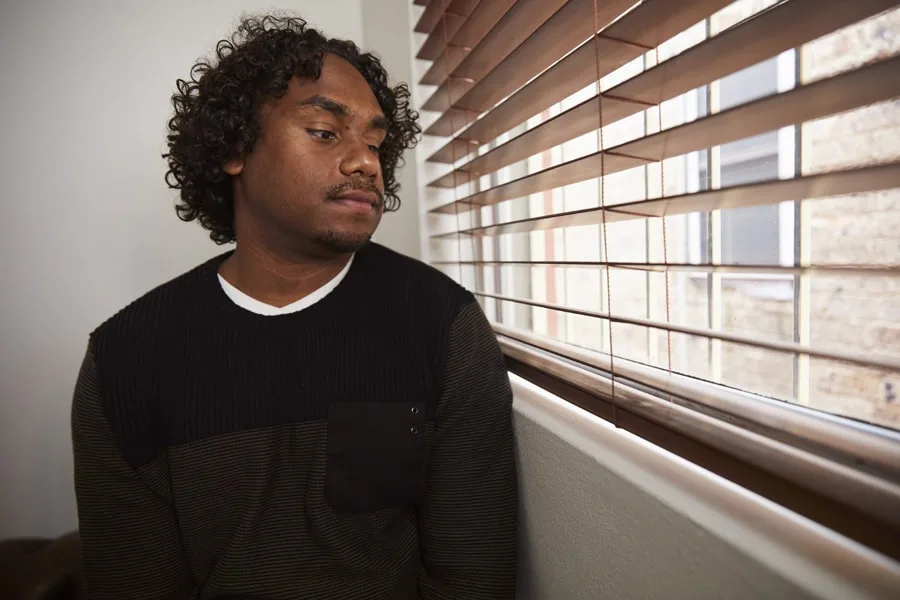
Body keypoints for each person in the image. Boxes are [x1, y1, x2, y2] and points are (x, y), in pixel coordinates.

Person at [70, 14, 518, 600]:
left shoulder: (442, 327)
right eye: (326, 132)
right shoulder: (124, 360)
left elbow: (473, 578)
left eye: (377, 143)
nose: (365, 162)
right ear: (236, 149)